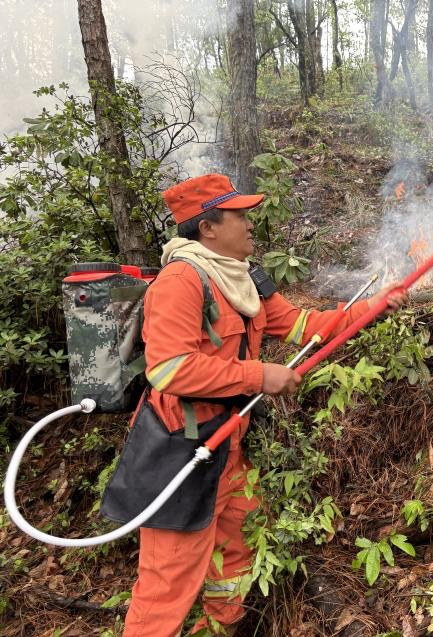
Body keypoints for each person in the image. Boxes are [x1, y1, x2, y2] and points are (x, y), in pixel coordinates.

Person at [122, 173, 406, 636]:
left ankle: (220, 629)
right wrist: (259, 375)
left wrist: (370, 308)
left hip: (228, 447)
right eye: (239, 215)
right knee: (167, 583)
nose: (251, 223)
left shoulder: (245, 278)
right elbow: (169, 370)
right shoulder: (181, 281)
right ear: (208, 227)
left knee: (237, 553)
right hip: (180, 451)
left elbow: (304, 327)